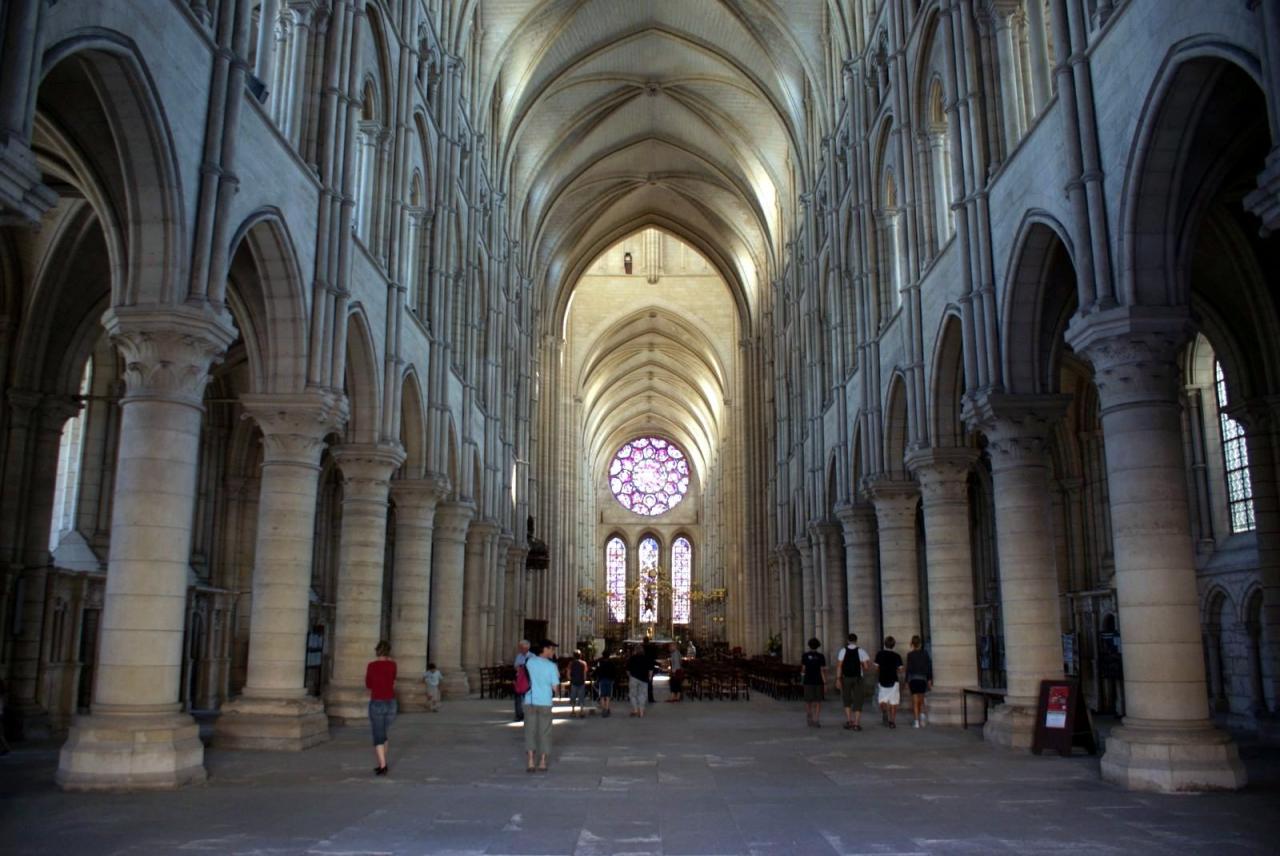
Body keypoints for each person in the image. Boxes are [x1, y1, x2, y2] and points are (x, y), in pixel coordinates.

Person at [523, 639, 560, 772]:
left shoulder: (530, 662)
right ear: (545, 649)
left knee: (530, 731)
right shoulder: (551, 666)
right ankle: (543, 762)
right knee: (545, 732)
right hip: (545, 702)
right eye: (551, 648)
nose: (553, 651)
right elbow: (555, 687)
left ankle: (531, 761)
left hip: (530, 700)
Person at [365, 640, 397, 775]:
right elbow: (393, 680)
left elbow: (368, 684)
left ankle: (383, 766)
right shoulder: (393, 665)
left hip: (377, 702)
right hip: (391, 703)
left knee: (378, 735)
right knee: (383, 733)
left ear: (376, 651)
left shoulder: (372, 666)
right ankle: (382, 762)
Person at [835, 633, 872, 731]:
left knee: (846, 699)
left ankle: (849, 720)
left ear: (847, 641)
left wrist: (838, 679)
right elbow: (867, 667)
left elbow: (839, 666)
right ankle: (856, 723)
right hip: (858, 678)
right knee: (858, 700)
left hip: (846, 678)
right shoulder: (861, 651)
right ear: (856, 640)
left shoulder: (843, 651)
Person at [874, 636, 905, 729]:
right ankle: (892, 721)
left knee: (882, 700)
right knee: (894, 702)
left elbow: (876, 667)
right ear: (893, 645)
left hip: (882, 678)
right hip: (893, 680)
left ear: (884, 644)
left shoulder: (879, 654)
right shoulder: (897, 656)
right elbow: (901, 669)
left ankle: (884, 711)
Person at [906, 635, 933, 728]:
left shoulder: (910, 655)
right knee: (921, 700)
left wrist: (906, 681)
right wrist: (929, 680)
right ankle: (922, 718)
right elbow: (928, 668)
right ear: (920, 644)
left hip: (913, 679)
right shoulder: (925, 654)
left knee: (915, 701)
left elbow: (908, 669)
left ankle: (916, 722)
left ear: (912, 644)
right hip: (922, 679)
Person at [800, 637, 827, 727]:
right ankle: (816, 719)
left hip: (808, 680)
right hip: (818, 681)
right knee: (818, 701)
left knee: (808, 700)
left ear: (809, 645)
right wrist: (825, 683)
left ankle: (809, 715)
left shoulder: (805, 656)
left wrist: (802, 679)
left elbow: (803, 669)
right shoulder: (821, 656)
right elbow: (822, 670)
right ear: (818, 646)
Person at [626, 644, 652, 717]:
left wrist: (630, 677)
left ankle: (635, 709)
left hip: (634, 678)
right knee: (642, 695)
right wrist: (649, 677)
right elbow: (650, 669)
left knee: (632, 695)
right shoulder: (646, 658)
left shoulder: (632, 658)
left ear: (635, 651)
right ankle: (641, 711)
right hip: (644, 679)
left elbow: (627, 670)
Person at [513, 639, 531, 722]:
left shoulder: (532, 656)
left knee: (527, 698)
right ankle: (519, 714)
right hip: (519, 679)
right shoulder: (518, 656)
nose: (520, 649)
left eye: (521, 648)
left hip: (528, 680)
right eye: (520, 647)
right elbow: (515, 666)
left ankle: (528, 714)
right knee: (518, 698)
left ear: (526, 648)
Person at [568, 649, 589, 718]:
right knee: (581, 697)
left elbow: (568, 673)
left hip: (573, 682)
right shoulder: (584, 663)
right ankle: (581, 711)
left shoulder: (571, 663)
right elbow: (585, 673)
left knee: (573, 696)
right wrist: (584, 680)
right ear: (580, 656)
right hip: (581, 682)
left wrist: (570, 679)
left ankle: (573, 711)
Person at [594, 654, 616, 718]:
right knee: (608, 696)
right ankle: (607, 709)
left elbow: (597, 670)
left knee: (602, 696)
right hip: (609, 680)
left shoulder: (600, 662)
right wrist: (613, 679)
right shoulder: (612, 663)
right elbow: (614, 671)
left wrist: (594, 676)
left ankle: (604, 710)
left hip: (602, 680)